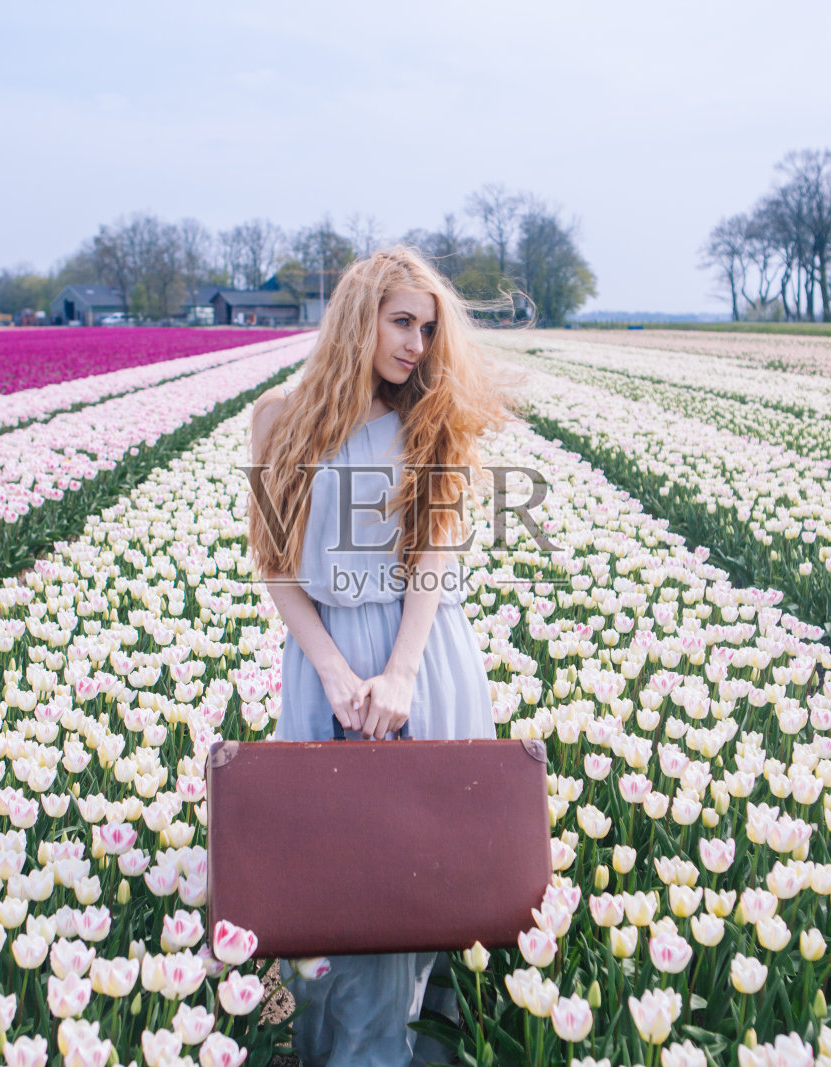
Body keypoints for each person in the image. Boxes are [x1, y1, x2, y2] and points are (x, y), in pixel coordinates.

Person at [245, 245, 513, 1067]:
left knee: (424, 881)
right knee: (341, 888)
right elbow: (276, 565)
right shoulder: (278, 417)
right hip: (326, 657)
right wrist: (330, 668)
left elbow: (432, 559)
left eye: (428, 328)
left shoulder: (433, 418)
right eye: (402, 322)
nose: (417, 345)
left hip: (421, 653)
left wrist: (398, 673)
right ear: (360, 317)